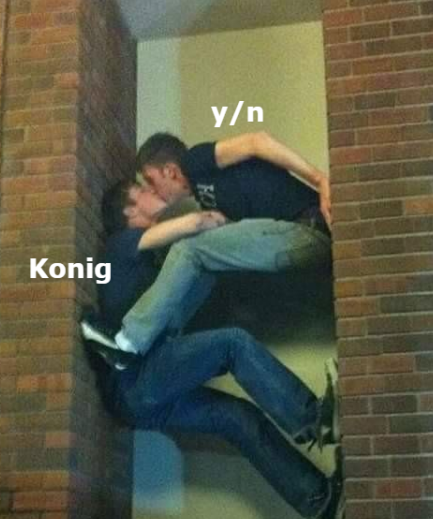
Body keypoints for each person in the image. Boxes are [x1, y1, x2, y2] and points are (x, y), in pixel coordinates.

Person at [83, 181, 345, 519]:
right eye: (142, 190)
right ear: (130, 211)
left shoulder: (152, 264)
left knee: (237, 418)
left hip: (142, 393)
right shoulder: (121, 245)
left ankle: (320, 499)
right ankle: (313, 419)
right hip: (136, 378)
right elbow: (192, 225)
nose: (153, 191)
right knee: (231, 343)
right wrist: (208, 218)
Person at [82, 131, 333, 359]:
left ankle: (128, 341)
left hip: (308, 227)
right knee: (202, 262)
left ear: (170, 171)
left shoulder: (195, 162)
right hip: (298, 240)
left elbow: (257, 141)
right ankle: (162, 341)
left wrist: (320, 180)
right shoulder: (207, 200)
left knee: (189, 249)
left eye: (151, 180)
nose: (153, 190)